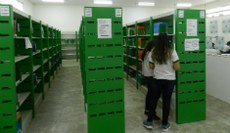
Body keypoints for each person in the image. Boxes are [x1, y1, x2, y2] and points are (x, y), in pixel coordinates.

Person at [143, 33, 180, 132]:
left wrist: (159, 67)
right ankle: (165, 124)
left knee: (153, 100)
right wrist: (168, 68)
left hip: (157, 79)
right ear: (168, 40)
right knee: (166, 102)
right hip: (170, 80)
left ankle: (149, 122)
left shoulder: (153, 51)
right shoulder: (172, 51)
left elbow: (151, 66)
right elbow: (177, 67)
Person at [141, 40, 160, 120]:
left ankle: (147, 110)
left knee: (149, 93)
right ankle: (151, 113)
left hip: (146, 74)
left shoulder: (146, 52)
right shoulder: (151, 54)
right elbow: (153, 66)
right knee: (153, 95)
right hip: (151, 75)